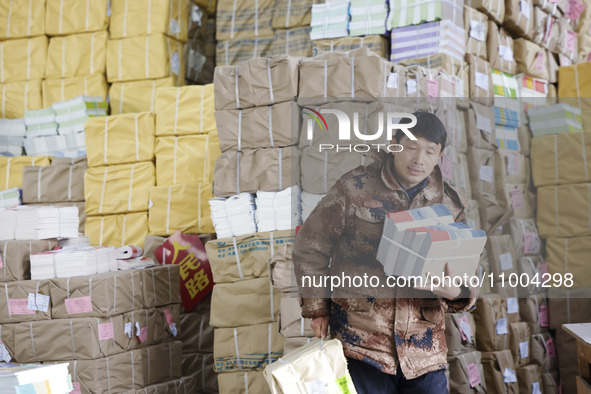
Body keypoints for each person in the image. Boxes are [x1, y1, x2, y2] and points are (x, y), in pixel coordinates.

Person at [292, 111, 478, 393]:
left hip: (424, 352)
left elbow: (470, 270)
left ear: (440, 155)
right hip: (362, 344)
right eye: (412, 147)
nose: (419, 159)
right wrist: (317, 308)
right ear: (394, 144)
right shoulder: (354, 188)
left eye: (430, 151)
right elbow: (310, 247)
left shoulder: (449, 204)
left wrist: (459, 292)